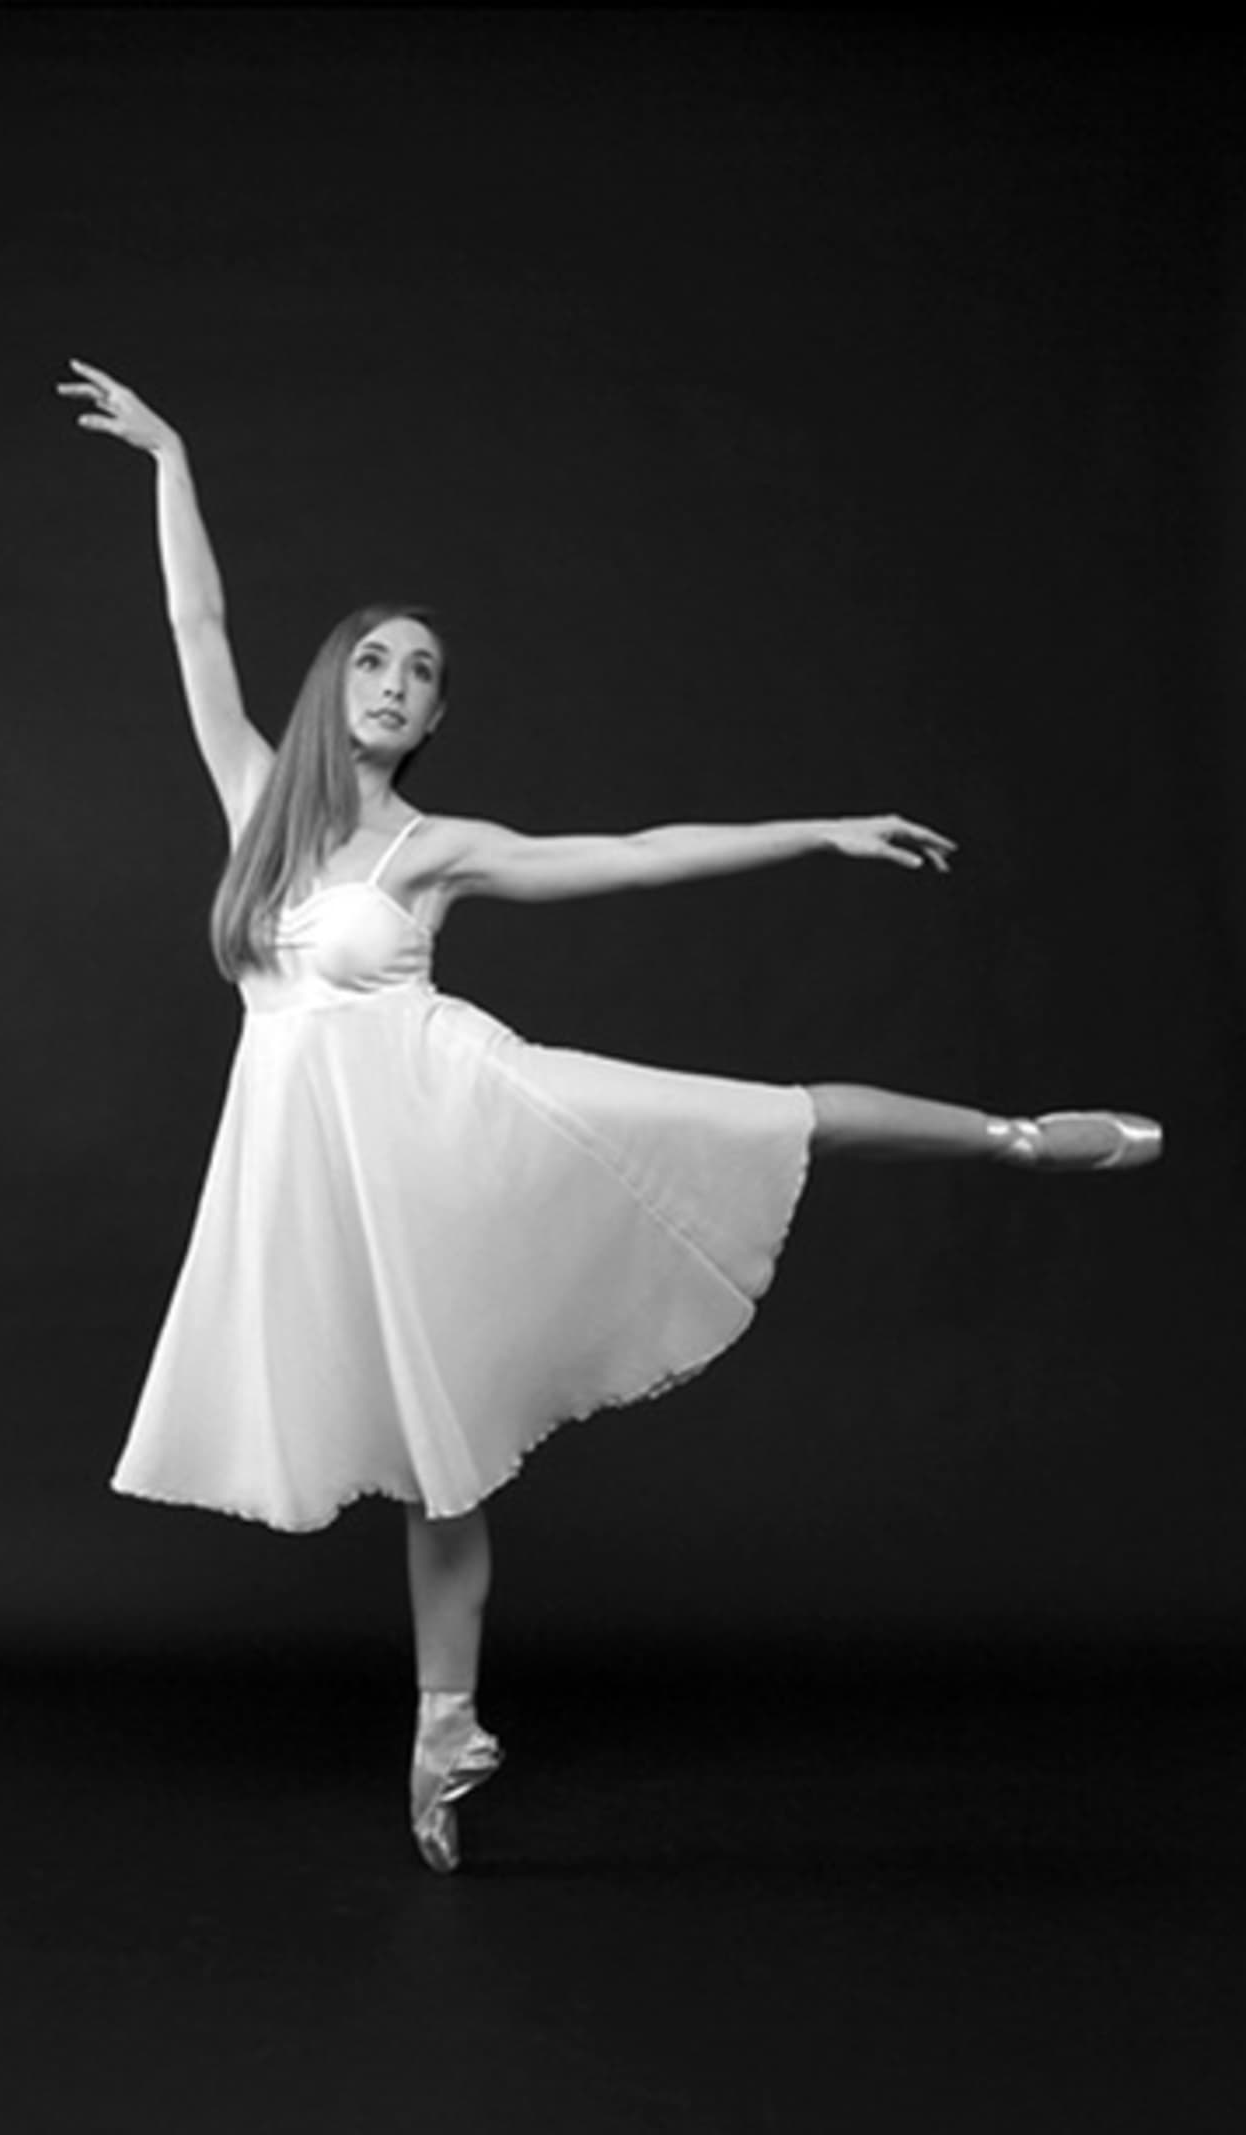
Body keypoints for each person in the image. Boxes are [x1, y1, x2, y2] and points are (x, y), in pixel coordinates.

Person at [65, 360, 1161, 1874]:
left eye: (422, 675)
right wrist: (171, 456)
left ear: (437, 716)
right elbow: (197, 625)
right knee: (437, 1473)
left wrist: (819, 829)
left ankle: (1017, 1136)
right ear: (333, 680)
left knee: (750, 1119)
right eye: (375, 661)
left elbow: (635, 855)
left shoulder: (437, 849)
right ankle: (443, 1733)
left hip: (459, 1125)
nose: (393, 685)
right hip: (328, 1192)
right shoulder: (255, 798)